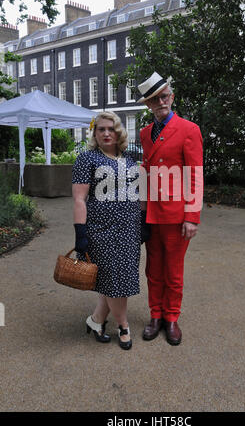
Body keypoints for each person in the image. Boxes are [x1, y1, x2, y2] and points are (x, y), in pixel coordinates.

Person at [138, 72, 203, 346]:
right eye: (155, 99)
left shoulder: (189, 129)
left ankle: (172, 318)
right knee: (153, 269)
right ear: (149, 105)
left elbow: (195, 175)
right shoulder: (144, 133)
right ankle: (156, 315)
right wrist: (140, 207)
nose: (161, 102)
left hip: (176, 216)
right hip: (150, 213)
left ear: (172, 97)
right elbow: (146, 170)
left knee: (173, 270)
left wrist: (192, 217)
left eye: (164, 96)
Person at [72, 111, 141, 350]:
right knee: (115, 280)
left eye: (111, 129)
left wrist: (144, 223)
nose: (106, 133)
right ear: (95, 132)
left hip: (130, 229)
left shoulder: (130, 158)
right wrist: (80, 233)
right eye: (101, 129)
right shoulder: (86, 159)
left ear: (119, 131)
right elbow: (79, 199)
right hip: (101, 231)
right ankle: (123, 325)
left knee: (113, 280)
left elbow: (138, 193)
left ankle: (96, 320)